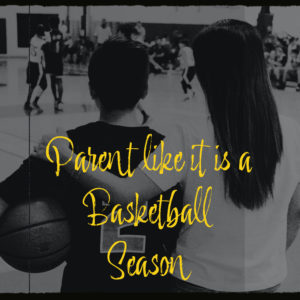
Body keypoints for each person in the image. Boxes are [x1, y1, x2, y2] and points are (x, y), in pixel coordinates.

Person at [35, 20, 300, 293]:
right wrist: (268, 259)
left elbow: (126, 193)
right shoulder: (293, 131)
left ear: (209, 75)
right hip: (266, 280)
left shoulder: (190, 135)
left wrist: (66, 156)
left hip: (197, 280)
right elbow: (296, 211)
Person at [0, 38, 182, 292]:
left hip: (83, 284)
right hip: (150, 286)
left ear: (91, 90)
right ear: (145, 92)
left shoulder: (62, 148)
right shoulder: (169, 151)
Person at [24, 24, 47, 115]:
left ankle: (33, 101)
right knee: (36, 85)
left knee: (39, 85)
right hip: (37, 66)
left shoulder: (32, 39)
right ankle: (28, 102)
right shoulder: (42, 43)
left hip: (30, 64)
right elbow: (43, 56)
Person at [44, 16, 64, 113]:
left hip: (51, 60)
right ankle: (60, 100)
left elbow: (47, 48)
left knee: (52, 80)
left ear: (50, 24)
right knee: (59, 80)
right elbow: (63, 47)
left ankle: (55, 99)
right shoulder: (61, 34)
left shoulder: (48, 34)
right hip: (59, 59)